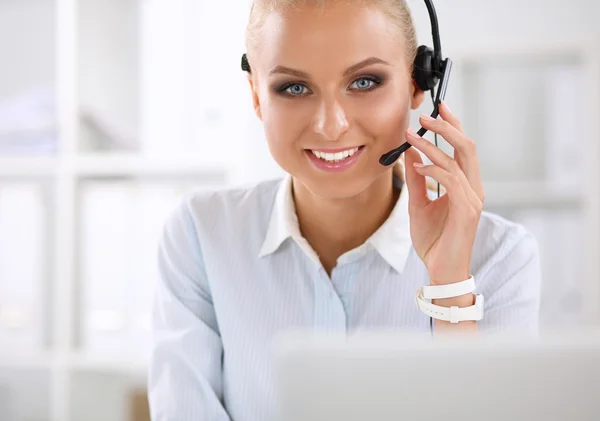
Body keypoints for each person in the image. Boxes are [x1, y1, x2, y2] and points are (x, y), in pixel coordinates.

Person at [148, 1, 542, 420]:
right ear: (256, 95)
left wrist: (450, 287)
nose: (331, 125)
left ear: (418, 84)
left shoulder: (500, 257)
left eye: (365, 82)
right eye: (294, 88)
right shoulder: (200, 236)